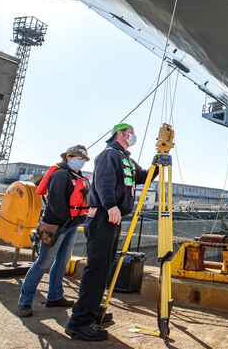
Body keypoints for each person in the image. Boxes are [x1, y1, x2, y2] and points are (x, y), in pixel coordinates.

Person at [65, 123, 156, 341]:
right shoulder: (109, 154)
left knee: (104, 267)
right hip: (103, 216)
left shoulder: (125, 158)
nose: (133, 136)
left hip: (111, 218)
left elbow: (142, 176)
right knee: (97, 268)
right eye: (130, 133)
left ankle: (91, 309)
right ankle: (79, 322)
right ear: (120, 134)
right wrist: (110, 204)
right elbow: (104, 181)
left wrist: (158, 162)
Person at [16, 145, 91, 318]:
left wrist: (78, 219)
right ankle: (24, 302)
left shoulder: (76, 176)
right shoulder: (60, 175)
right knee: (43, 263)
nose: (81, 162)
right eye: (78, 158)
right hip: (55, 226)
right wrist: (69, 220)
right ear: (68, 157)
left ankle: (55, 296)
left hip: (70, 226)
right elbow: (56, 203)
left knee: (62, 262)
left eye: (83, 159)